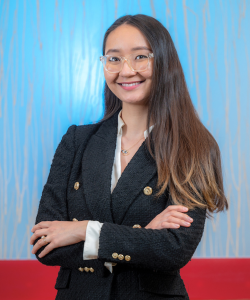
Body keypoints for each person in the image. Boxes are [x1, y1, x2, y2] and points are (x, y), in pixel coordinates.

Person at [30, 14, 228, 300]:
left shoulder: (193, 145)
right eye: (114, 58)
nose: (126, 70)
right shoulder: (77, 140)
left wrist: (84, 229)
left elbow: (175, 249)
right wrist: (143, 234)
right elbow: (44, 243)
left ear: (163, 61)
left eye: (140, 57)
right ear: (103, 64)